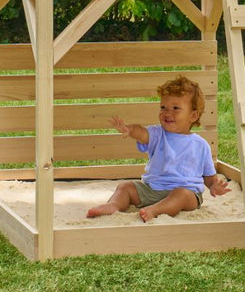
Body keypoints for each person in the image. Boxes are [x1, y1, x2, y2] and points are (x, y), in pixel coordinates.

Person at [86, 75, 231, 222]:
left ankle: (155, 210)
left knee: (180, 194)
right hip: (152, 189)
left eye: (175, 108)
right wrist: (130, 130)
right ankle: (113, 205)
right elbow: (142, 132)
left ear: (193, 116)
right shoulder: (157, 134)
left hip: (187, 194)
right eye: (163, 107)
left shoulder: (201, 145)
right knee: (125, 187)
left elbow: (209, 177)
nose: (167, 112)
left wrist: (213, 186)